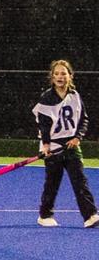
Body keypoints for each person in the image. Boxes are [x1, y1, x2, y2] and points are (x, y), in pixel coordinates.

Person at [33, 59, 96, 228]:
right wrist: (46, 145)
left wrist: (78, 137)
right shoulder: (46, 98)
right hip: (53, 147)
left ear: (70, 76)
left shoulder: (75, 96)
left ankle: (90, 215)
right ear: (52, 77)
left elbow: (83, 119)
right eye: (56, 74)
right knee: (52, 182)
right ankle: (45, 215)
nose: (60, 77)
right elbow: (43, 125)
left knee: (80, 181)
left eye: (63, 73)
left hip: (71, 146)